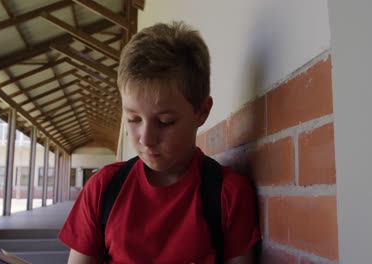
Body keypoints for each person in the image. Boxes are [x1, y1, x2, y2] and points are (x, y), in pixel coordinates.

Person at [58, 21, 260, 264]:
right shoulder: (103, 188)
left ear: (202, 112)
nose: (145, 139)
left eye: (165, 122)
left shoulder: (228, 195)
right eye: (133, 119)